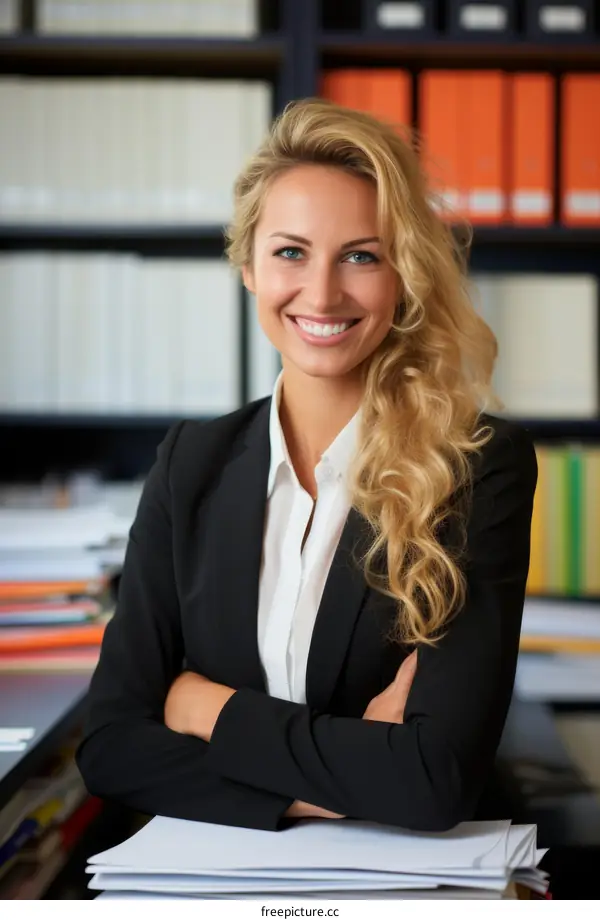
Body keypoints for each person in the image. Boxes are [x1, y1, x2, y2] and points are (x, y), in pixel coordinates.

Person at [76, 98, 537, 833]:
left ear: (403, 276)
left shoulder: (476, 469)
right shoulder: (189, 464)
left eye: (361, 255)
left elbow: (433, 779)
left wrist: (204, 707)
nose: (322, 293)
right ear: (249, 266)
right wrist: (344, 780)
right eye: (291, 251)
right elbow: (111, 749)